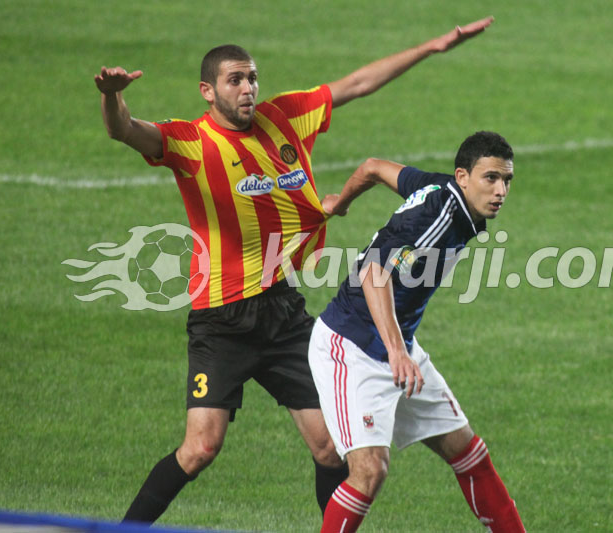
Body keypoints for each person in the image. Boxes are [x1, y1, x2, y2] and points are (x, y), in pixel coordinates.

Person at [93, 17, 495, 525]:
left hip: (283, 311)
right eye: (235, 80)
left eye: (253, 78)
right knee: (200, 448)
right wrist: (112, 97)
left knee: (330, 448)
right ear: (207, 91)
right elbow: (125, 130)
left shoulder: (285, 117)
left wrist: (433, 46)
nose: (248, 89)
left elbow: (357, 84)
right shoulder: (190, 143)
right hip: (221, 319)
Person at [308, 131, 526, 532]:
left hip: (398, 348)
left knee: (470, 454)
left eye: (506, 180)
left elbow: (373, 167)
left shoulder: (439, 187)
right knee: (369, 471)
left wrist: (341, 202)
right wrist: (396, 351)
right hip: (350, 347)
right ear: (463, 176)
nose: (500, 191)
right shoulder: (438, 218)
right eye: (490, 178)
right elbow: (373, 273)